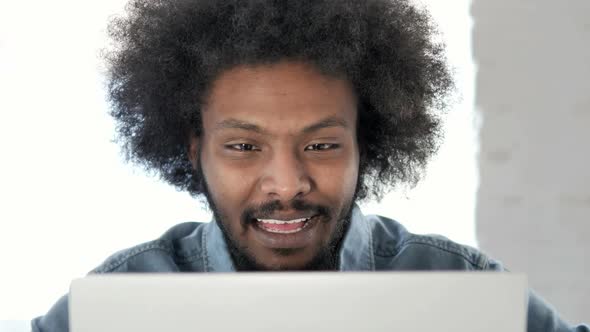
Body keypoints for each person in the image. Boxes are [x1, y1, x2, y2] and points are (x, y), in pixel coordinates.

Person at [32, 0, 588, 331]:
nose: (287, 185)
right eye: (244, 147)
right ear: (192, 148)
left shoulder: (463, 291)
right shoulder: (115, 304)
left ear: (365, 145)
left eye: (321, 146)